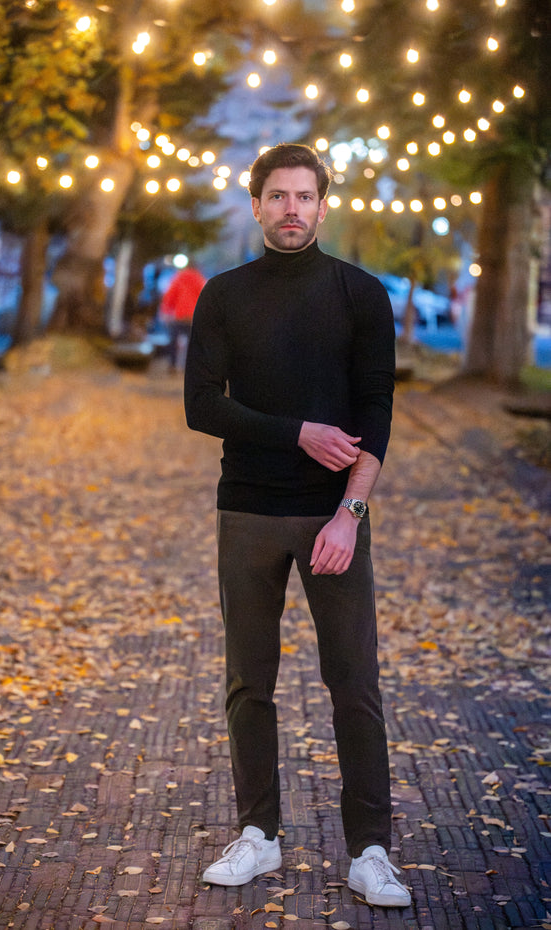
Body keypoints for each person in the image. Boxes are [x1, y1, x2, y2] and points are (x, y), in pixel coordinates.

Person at [184, 143, 410, 909]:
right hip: (246, 510)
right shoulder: (222, 295)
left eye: (304, 197)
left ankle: (370, 852)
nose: (291, 209)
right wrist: (299, 433)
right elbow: (201, 406)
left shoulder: (361, 295)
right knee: (250, 681)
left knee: (354, 683)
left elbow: (377, 410)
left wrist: (351, 510)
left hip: (332, 519)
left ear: (322, 205)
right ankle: (259, 835)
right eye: (276, 196)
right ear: (256, 206)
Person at [160, 262, 206, 370]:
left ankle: (172, 364)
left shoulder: (178, 278)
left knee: (173, 340)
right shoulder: (199, 279)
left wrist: (166, 311)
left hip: (179, 315)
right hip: (193, 317)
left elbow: (170, 295)